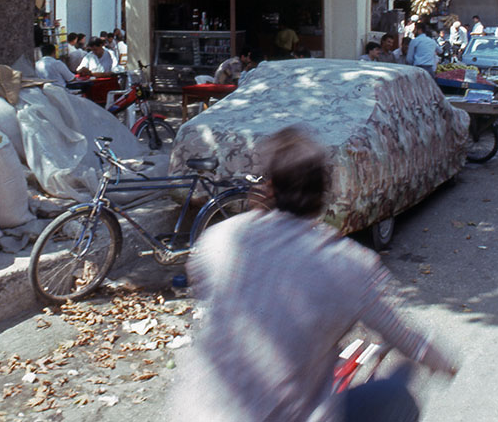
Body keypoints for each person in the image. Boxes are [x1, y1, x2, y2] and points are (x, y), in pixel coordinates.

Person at [170, 126, 456, 422]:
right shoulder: (349, 263)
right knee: (397, 396)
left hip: (197, 411)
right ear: (323, 194)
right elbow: (406, 339)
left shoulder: (220, 238)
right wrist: (444, 363)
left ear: (268, 188)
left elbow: (207, 286)